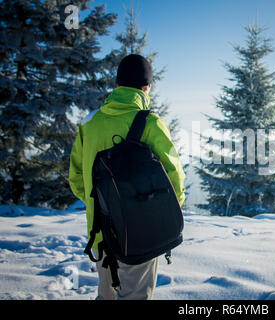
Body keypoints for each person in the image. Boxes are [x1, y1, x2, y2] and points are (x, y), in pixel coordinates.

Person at [68, 54, 186, 300]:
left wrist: (99, 204)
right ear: (146, 87)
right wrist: (166, 214)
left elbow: (77, 177)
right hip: (139, 234)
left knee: (106, 296)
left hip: (100, 233)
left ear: (118, 84)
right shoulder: (151, 122)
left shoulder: (89, 123)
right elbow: (173, 176)